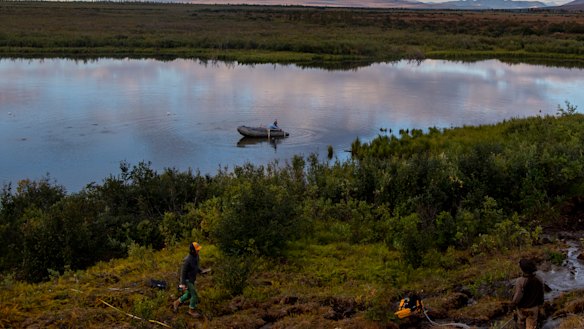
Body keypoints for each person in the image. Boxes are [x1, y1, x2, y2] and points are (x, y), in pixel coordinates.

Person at [173, 242, 207, 318]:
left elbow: (195, 266)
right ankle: (191, 311)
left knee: (188, 295)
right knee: (194, 295)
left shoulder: (196, 256)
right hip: (187, 280)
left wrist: (201, 271)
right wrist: (182, 284)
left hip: (192, 279)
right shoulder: (187, 260)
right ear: (192, 250)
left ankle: (176, 303)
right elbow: (183, 272)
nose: (198, 251)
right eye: (197, 250)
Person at [511, 258, 544, 329]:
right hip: (534, 308)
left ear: (522, 269)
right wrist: (541, 304)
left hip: (522, 309)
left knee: (521, 324)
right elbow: (541, 294)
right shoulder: (539, 279)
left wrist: (513, 304)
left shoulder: (520, 281)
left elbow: (517, 296)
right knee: (531, 326)